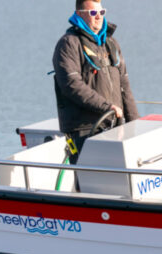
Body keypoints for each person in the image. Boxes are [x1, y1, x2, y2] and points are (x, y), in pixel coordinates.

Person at [54, 0, 139, 163]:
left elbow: (124, 85)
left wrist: (135, 124)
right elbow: (72, 85)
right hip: (84, 130)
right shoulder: (68, 44)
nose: (98, 16)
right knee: (90, 180)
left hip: (115, 125)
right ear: (80, 14)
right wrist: (107, 107)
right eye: (93, 13)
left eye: (102, 12)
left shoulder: (111, 43)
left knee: (117, 178)